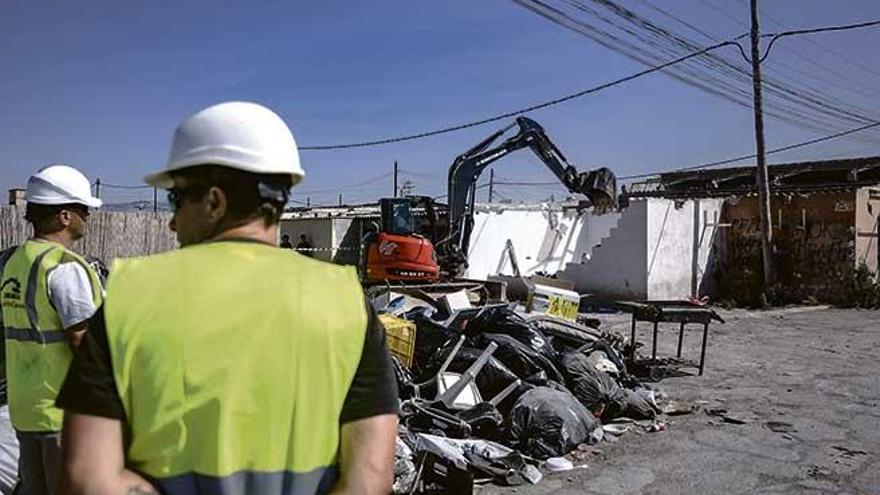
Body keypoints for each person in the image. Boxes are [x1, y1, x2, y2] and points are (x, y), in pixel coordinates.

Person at [56, 101, 398, 495]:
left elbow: (87, 478)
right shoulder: (346, 302)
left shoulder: (130, 296)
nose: (171, 220)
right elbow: (371, 478)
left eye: (176, 200)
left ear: (215, 202)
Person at [0, 165, 103, 495]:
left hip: (25, 409)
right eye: (83, 209)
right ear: (64, 216)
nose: (88, 216)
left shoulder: (15, 262)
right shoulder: (63, 267)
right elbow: (82, 340)